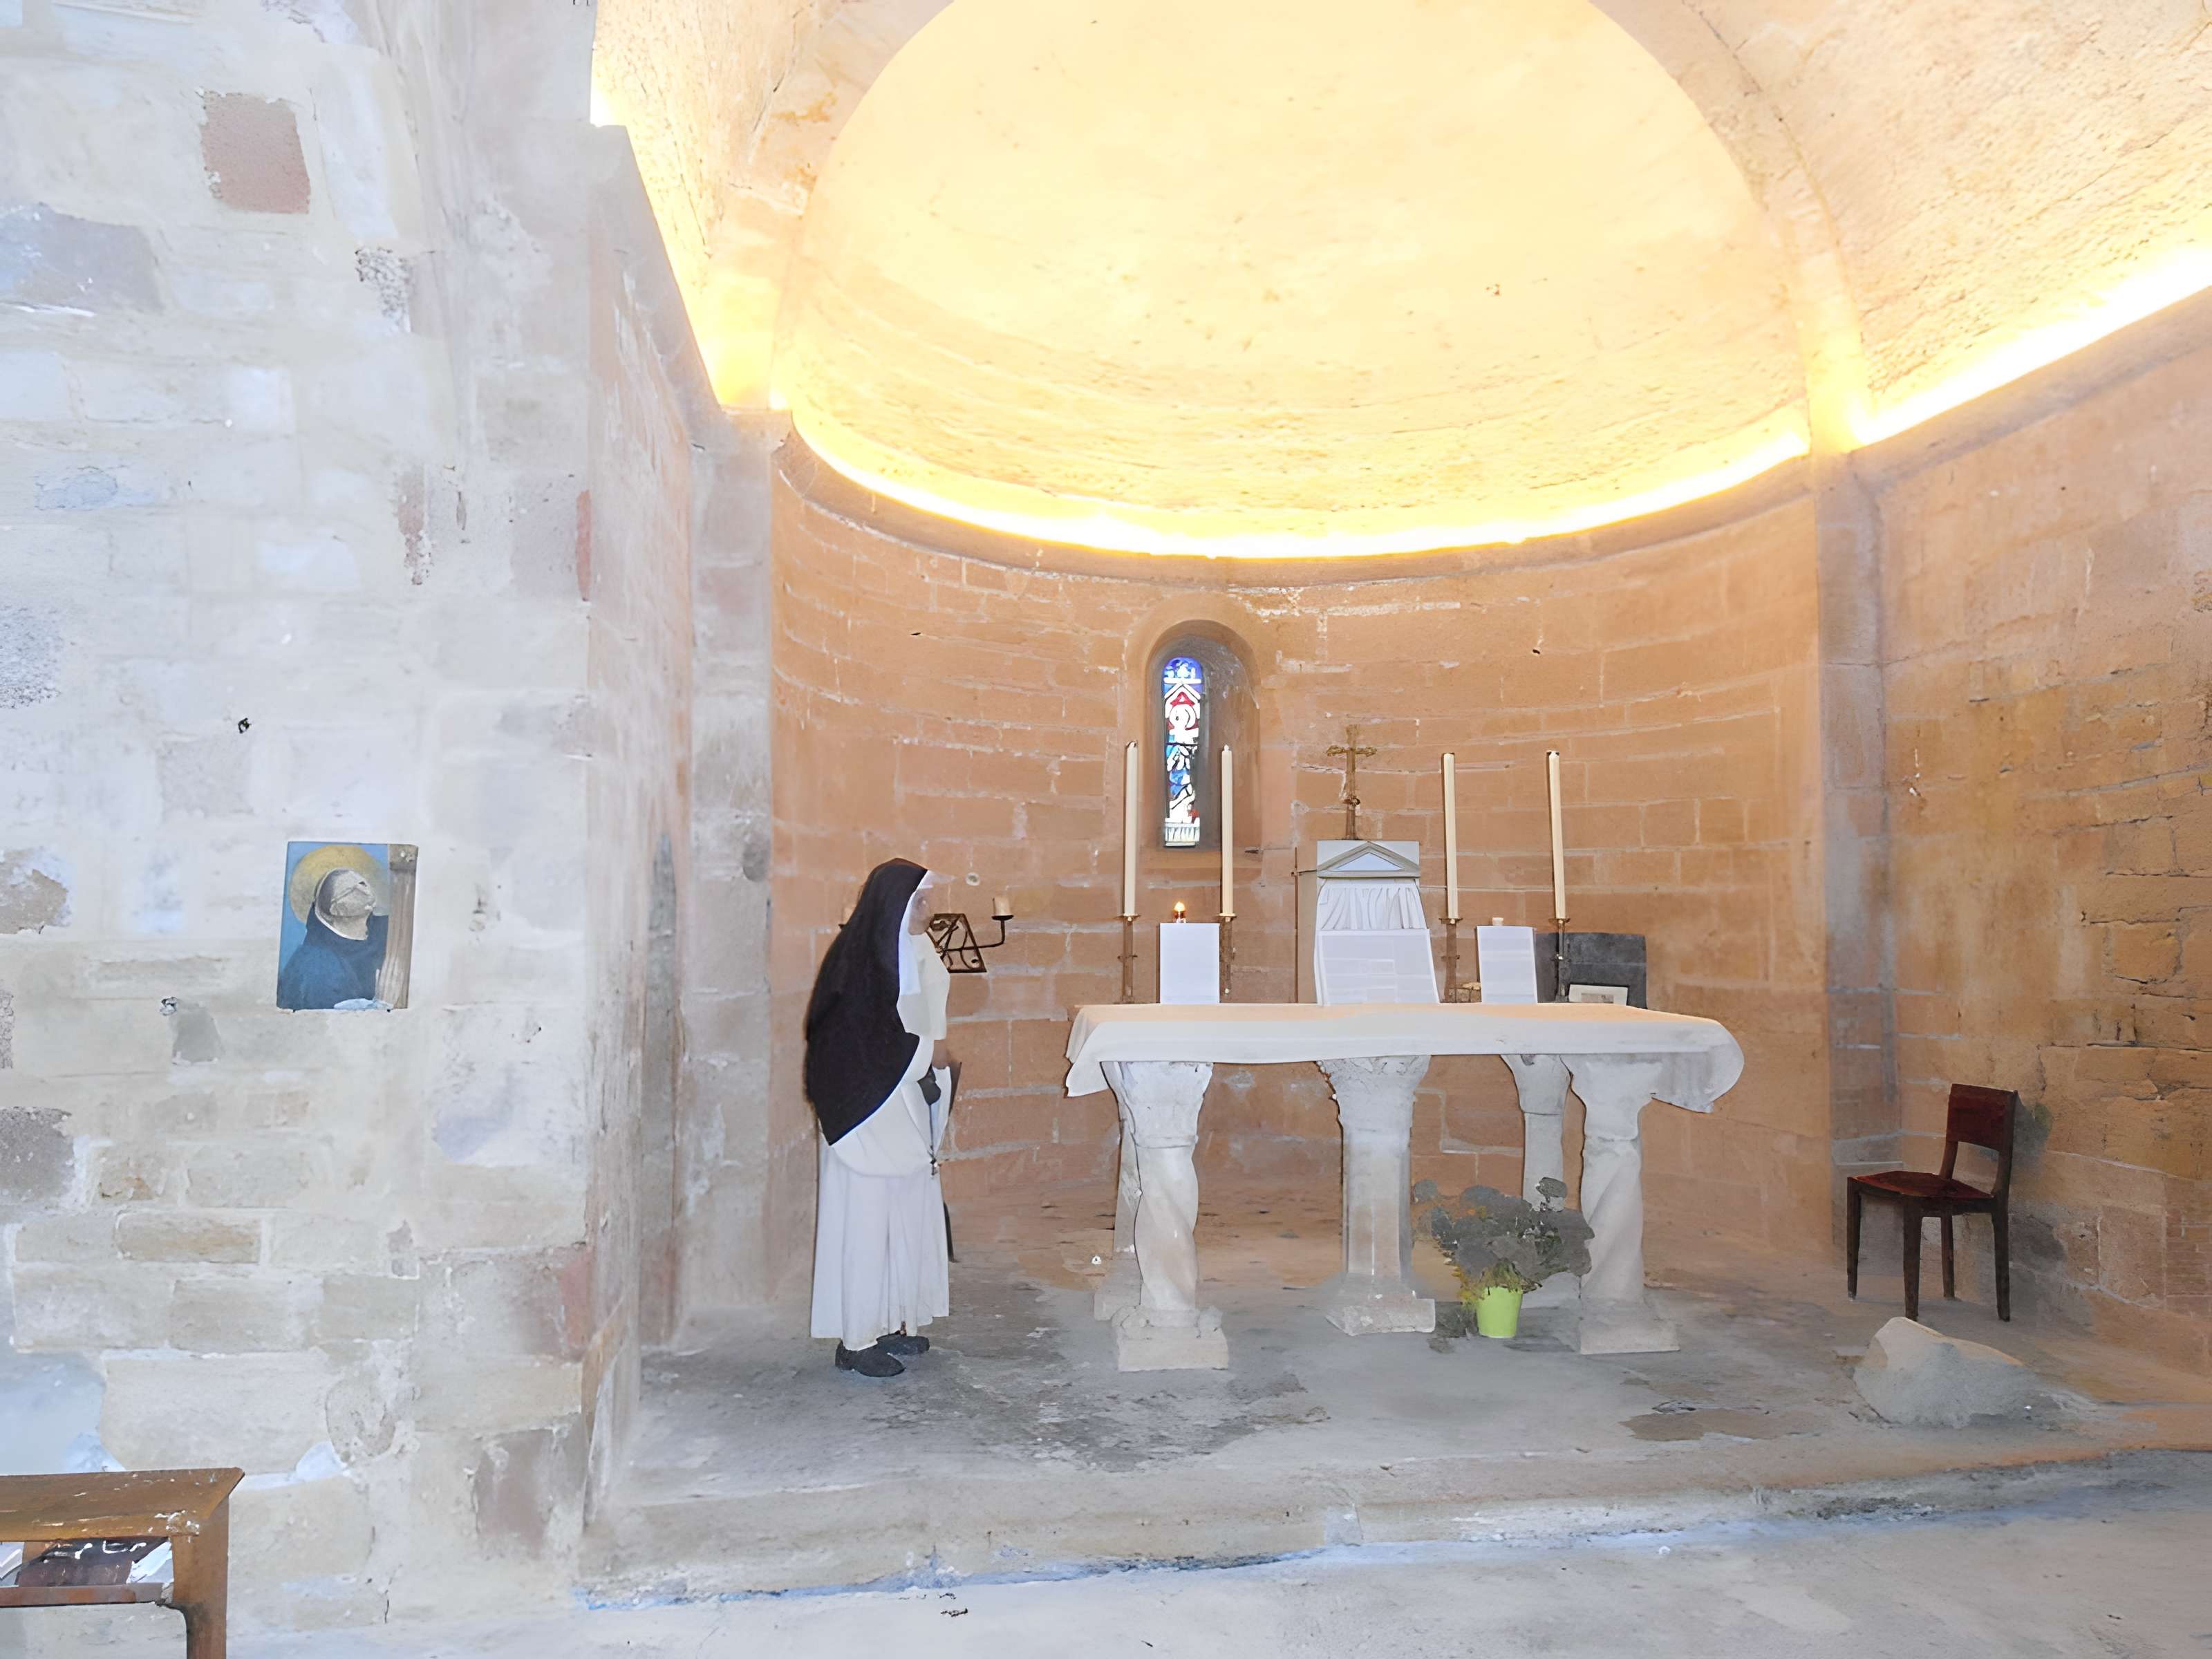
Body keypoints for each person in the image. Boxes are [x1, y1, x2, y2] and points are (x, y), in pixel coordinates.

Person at [805, 859, 955, 1378]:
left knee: (904, 1218)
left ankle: (893, 1320)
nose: (927, 911)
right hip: (865, 1110)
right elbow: (854, 1039)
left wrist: (929, 1061)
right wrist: (925, 1055)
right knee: (866, 1225)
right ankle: (856, 1338)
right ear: (893, 905)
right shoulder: (860, 962)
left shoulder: (918, 950)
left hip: (903, 1102)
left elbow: (924, 1018)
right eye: (919, 901)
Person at [277, 865, 387, 1010]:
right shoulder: (317, 963)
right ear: (334, 909)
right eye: (351, 890)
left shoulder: (386, 930)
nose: (363, 891)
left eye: (362, 884)